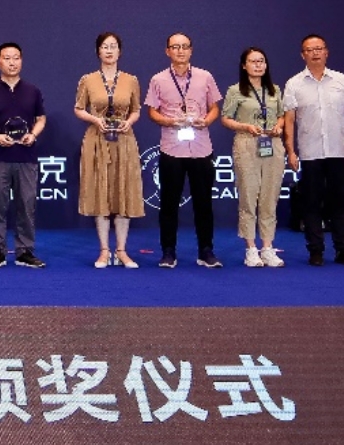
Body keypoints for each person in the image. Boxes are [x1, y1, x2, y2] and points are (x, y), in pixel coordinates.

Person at [143, 33, 224, 269]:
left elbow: (214, 108)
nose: (180, 51)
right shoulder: (158, 79)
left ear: (191, 50)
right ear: (167, 51)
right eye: (175, 47)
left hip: (201, 148)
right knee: (169, 204)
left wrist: (206, 121)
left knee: (204, 203)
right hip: (172, 148)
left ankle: (206, 251)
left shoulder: (205, 76)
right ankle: (168, 252)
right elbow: (152, 111)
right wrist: (169, 121)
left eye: (185, 46)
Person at [282, 34, 344, 267]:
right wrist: (291, 151)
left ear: (327, 52)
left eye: (319, 48)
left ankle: (343, 250)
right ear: (303, 55)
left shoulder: (342, 80)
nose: (315, 53)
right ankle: (315, 250)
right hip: (310, 153)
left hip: (339, 151)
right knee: (311, 203)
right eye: (310, 49)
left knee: (339, 203)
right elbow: (289, 120)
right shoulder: (294, 84)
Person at [0, 42, 48, 268]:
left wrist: (33, 135)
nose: (12, 62)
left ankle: (25, 251)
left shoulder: (33, 91)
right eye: (7, 58)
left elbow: (41, 119)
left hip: (26, 157)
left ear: (21, 61)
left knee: (27, 206)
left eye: (16, 58)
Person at [75, 32, 145, 269]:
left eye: (113, 46)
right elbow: (78, 109)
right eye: (105, 46)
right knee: (101, 193)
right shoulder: (88, 80)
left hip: (124, 140)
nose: (109, 50)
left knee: (123, 193)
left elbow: (136, 109)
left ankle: (122, 251)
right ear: (98, 51)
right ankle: (104, 251)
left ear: (120, 52)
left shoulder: (131, 80)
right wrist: (95, 120)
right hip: (97, 140)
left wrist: (129, 122)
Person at [219, 47, 288, 268]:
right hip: (247, 142)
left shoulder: (274, 90)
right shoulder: (235, 90)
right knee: (249, 196)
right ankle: (250, 248)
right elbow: (225, 118)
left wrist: (279, 126)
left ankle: (267, 247)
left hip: (272, 144)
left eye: (261, 61)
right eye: (253, 61)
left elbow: (282, 115)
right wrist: (245, 126)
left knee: (270, 196)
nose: (258, 65)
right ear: (244, 65)